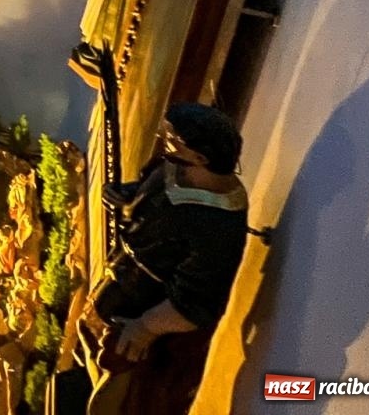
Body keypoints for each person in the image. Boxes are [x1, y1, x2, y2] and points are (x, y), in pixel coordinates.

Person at [71, 102, 250, 415]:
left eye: (172, 140)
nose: (163, 142)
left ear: (200, 158)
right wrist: (129, 195)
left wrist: (144, 328)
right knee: (92, 347)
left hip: (148, 309)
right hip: (119, 282)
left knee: (117, 400)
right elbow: (148, 189)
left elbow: (197, 303)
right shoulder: (172, 166)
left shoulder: (215, 225)